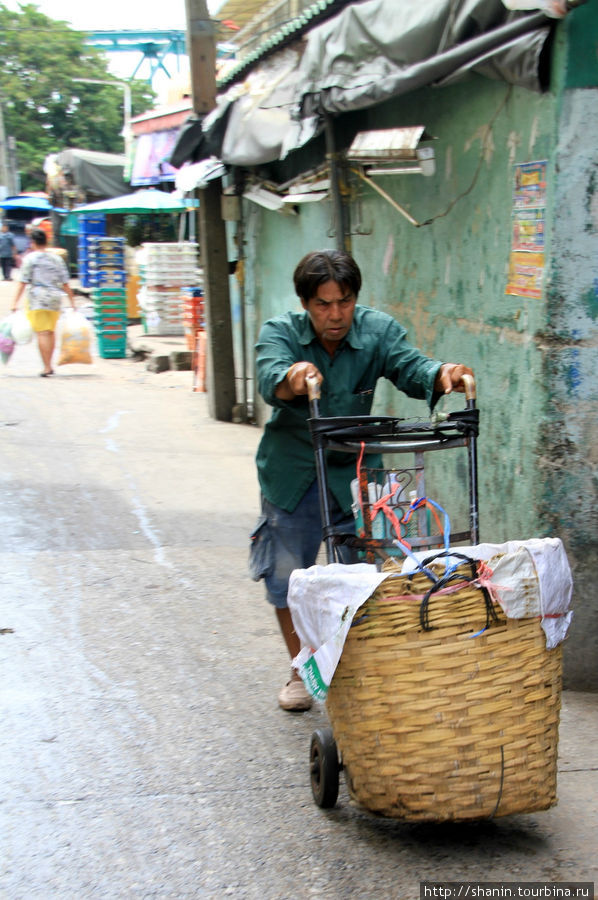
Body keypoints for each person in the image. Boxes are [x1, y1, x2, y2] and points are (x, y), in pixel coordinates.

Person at [251, 249, 474, 712]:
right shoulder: (280, 332)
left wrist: (442, 374)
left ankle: (358, 666)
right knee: (287, 576)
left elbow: (411, 366)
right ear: (305, 303)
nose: (335, 315)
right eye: (322, 305)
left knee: (363, 576)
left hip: (353, 472)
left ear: (355, 298)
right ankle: (302, 665)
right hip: (293, 470)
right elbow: (270, 373)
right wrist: (294, 376)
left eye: (344, 302)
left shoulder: (378, 331)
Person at [11, 227, 76, 376]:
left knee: (42, 333)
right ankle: (49, 363)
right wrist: (72, 302)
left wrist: (14, 303)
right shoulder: (57, 259)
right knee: (50, 332)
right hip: (55, 298)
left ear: (33, 242)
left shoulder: (30, 259)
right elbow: (65, 282)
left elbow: (23, 282)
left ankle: (46, 366)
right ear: (46, 242)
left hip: (37, 299)